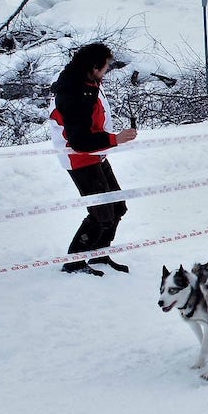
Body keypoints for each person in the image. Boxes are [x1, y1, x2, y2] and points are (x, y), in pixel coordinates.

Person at [49, 42, 138, 276]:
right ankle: (74, 263)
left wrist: (110, 139)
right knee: (101, 214)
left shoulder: (89, 81)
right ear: (94, 67)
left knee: (117, 207)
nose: (107, 71)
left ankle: (98, 254)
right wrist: (115, 139)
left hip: (97, 152)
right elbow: (79, 141)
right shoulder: (72, 91)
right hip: (80, 158)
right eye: (105, 66)